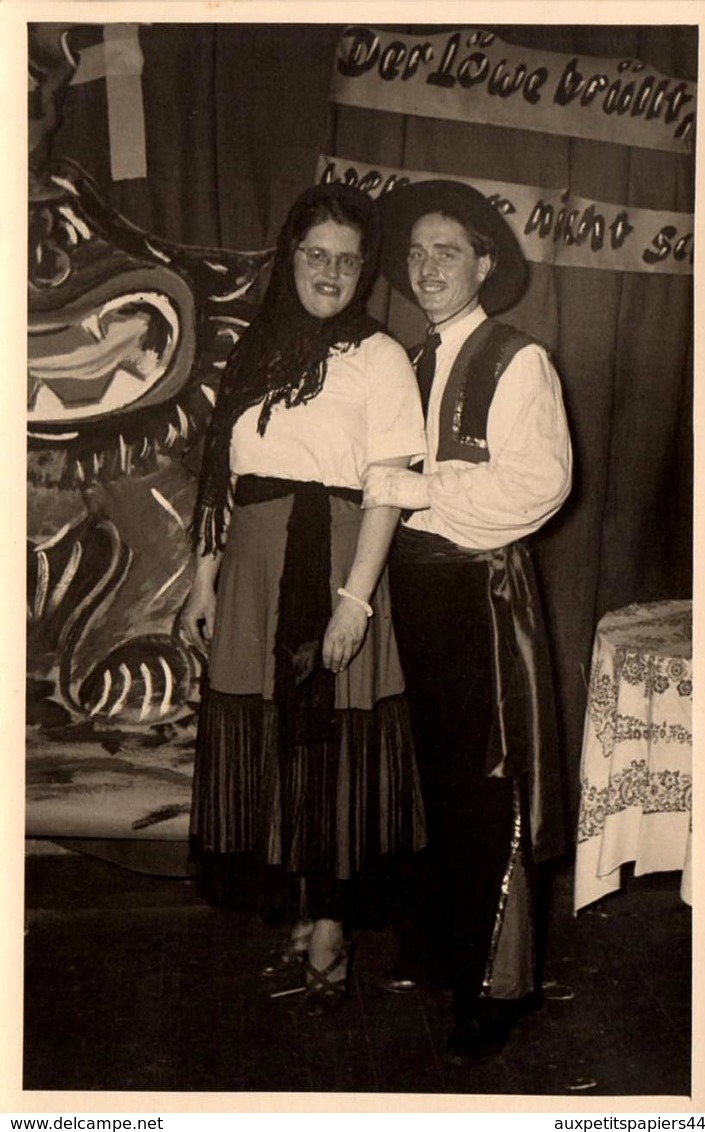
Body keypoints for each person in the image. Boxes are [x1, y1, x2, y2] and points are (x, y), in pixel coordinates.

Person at [181, 182, 426, 1016]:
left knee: (330, 748)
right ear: (290, 258)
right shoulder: (252, 351)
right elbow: (224, 477)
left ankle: (331, 933)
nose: (330, 271)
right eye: (315, 254)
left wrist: (356, 601)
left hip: (334, 565)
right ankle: (297, 911)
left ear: (366, 272)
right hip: (254, 568)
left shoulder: (383, 356)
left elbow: (390, 487)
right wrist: (204, 578)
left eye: (347, 260)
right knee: (276, 740)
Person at [363, 180, 573, 1062]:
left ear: (485, 262)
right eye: (415, 254)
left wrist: (420, 490)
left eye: (446, 252)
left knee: (492, 781)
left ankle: (500, 986)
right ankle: (448, 951)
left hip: (482, 595)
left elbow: (539, 484)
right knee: (430, 775)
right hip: (415, 591)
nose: (426, 268)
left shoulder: (517, 359)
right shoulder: (403, 361)